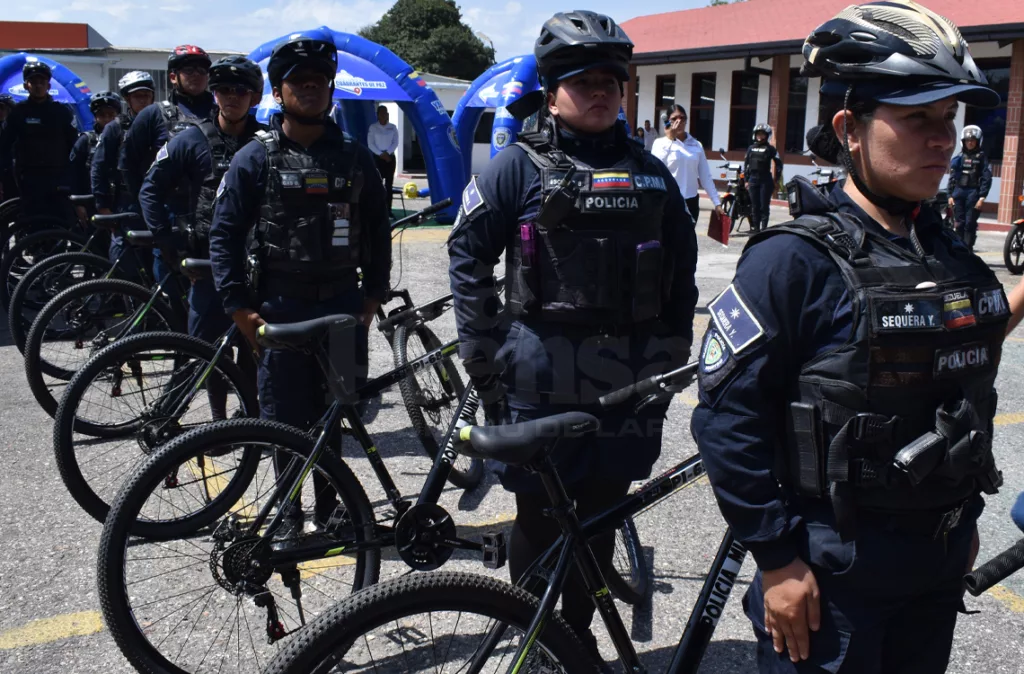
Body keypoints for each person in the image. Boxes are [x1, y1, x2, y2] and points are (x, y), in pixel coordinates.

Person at [691, 2, 1007, 672]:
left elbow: (958, 361)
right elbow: (725, 416)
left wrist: (962, 518)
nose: (943, 139)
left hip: (935, 563)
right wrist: (777, 560)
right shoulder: (792, 261)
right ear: (850, 129)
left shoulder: (945, 251)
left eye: (949, 119)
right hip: (833, 580)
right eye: (917, 118)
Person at [448, 10, 697, 661]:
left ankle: (578, 634)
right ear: (552, 89)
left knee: (601, 511)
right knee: (537, 513)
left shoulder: (652, 174)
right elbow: (467, 254)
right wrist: (481, 354)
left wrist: (671, 356)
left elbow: (683, 270)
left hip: (629, 374)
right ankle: (531, 634)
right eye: (582, 80)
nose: (600, 91)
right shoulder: (516, 166)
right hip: (541, 370)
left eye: (612, 80)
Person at [209, 30, 392, 532]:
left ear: (331, 89)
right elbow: (223, 236)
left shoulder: (356, 159)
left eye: (319, 81)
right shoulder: (255, 158)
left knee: (334, 414)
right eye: (298, 81)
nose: (310, 88)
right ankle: (287, 513)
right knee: (283, 418)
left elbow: (378, 229)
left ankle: (332, 510)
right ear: (279, 91)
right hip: (280, 306)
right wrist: (238, 308)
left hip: (342, 302)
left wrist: (373, 294)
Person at [140, 56, 265, 344]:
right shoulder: (191, 140)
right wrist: (169, 245)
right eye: (224, 90)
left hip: (257, 269)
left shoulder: (268, 141)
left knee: (254, 353)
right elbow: (150, 188)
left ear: (254, 97)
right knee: (206, 355)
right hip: (208, 268)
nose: (232, 97)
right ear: (214, 93)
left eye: (241, 91)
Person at [121, 45, 214, 282]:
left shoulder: (222, 112)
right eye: (188, 69)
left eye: (202, 70)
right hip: (169, 215)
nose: (196, 75)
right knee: (169, 290)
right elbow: (129, 164)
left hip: (213, 215)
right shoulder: (153, 114)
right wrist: (147, 210)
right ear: (173, 77)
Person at [91, 71, 157, 281]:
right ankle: (121, 299)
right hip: (127, 202)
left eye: (147, 96)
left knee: (155, 256)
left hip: (156, 200)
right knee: (122, 254)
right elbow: (99, 167)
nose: (143, 101)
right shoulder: (115, 128)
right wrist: (102, 204)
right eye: (138, 97)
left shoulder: (161, 125)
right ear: (128, 99)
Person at [0, 61, 79, 222]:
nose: (38, 86)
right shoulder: (18, 112)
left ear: (48, 86)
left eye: (42, 82)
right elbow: (5, 146)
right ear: (25, 86)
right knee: (33, 223)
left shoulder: (62, 112)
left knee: (60, 222)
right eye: (33, 82)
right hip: (29, 178)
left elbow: (74, 145)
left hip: (59, 176)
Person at [651, 104, 723, 226]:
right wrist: (670, 139)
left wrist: (717, 202)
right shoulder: (660, 143)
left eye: (682, 118)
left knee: (687, 240)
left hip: (691, 201)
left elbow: (705, 176)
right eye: (674, 119)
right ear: (667, 121)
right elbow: (655, 168)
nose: (679, 122)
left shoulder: (696, 145)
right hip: (669, 200)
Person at [69, 91, 121, 222]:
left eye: (111, 115)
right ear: (95, 117)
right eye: (102, 115)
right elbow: (73, 175)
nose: (107, 119)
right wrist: (78, 205)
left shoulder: (125, 138)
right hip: (90, 203)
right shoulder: (86, 140)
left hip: (118, 202)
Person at [947, 125, 991, 250]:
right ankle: (959, 249)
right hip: (959, 192)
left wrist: (982, 197)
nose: (970, 143)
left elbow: (986, 178)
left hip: (973, 193)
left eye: (972, 140)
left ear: (978, 141)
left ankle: (968, 250)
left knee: (970, 223)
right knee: (959, 224)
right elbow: (952, 177)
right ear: (963, 142)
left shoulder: (982, 158)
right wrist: (949, 195)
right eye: (967, 140)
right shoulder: (958, 158)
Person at [744, 123, 783, 232]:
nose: (760, 137)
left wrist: (776, 180)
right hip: (753, 180)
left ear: (767, 135)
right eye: (758, 134)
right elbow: (746, 164)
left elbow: (779, 164)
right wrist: (746, 180)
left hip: (765, 180)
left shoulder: (771, 149)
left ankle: (764, 229)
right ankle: (756, 229)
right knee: (754, 206)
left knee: (763, 207)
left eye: (762, 134)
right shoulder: (750, 148)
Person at [367, 104, 398, 215]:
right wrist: (380, 154)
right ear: (378, 115)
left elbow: (395, 142)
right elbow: (370, 144)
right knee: (377, 184)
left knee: (389, 186)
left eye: (385, 113)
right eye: (381, 113)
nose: (384, 115)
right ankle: (377, 210)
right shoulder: (373, 127)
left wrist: (388, 153)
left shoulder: (393, 127)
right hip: (378, 158)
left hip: (390, 158)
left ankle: (388, 210)